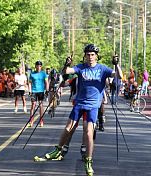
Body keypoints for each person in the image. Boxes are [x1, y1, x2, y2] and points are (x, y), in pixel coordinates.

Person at [43, 44, 123, 176]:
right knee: (68, 128)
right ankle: (58, 150)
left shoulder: (102, 69)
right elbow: (66, 72)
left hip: (92, 106)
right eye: (88, 54)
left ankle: (88, 161)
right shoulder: (81, 67)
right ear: (85, 56)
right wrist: (66, 64)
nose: (90, 57)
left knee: (88, 132)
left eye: (92, 54)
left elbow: (119, 76)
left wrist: (116, 64)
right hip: (79, 104)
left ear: (96, 56)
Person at [28, 61, 49, 127]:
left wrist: (47, 90)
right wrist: (29, 91)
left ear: (41, 66)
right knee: (33, 105)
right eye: (37, 66)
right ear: (35, 66)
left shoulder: (43, 74)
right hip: (34, 91)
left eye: (40, 66)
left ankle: (41, 120)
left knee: (40, 105)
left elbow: (46, 82)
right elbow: (30, 83)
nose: (38, 67)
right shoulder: (32, 74)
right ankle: (31, 120)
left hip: (41, 91)